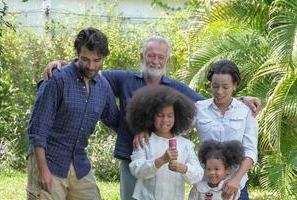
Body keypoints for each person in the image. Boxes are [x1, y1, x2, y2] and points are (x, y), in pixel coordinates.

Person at [44, 37, 261, 200]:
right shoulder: (124, 79)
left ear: (167, 60)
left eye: (160, 56)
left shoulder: (175, 87)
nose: (155, 60)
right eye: (151, 55)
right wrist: (64, 63)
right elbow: (91, 71)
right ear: (142, 57)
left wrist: (241, 98)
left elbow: (211, 100)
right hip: (133, 156)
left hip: (172, 164)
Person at [26, 27, 119, 200]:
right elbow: (37, 129)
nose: (91, 66)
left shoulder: (103, 87)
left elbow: (116, 120)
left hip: (79, 163)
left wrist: (145, 132)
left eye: (96, 60)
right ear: (77, 53)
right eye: (85, 59)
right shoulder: (56, 79)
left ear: (104, 57)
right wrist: (43, 170)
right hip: (48, 160)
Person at [194, 60, 258, 200]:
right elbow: (173, 127)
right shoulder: (199, 108)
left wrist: (236, 179)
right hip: (205, 187)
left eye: (225, 87)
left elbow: (250, 150)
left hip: (236, 187)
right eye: (215, 86)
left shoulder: (246, 111)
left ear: (235, 86)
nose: (219, 92)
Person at [126, 85, 203, 200]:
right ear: (150, 116)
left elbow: (198, 174)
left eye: (169, 116)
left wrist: (183, 168)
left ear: (177, 117)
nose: (165, 120)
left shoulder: (185, 145)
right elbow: (136, 170)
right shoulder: (144, 141)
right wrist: (161, 160)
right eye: (160, 115)